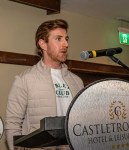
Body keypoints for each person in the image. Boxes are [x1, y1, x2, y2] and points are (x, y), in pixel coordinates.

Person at [5, 19, 84, 150]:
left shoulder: (77, 81)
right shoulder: (24, 80)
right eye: (58, 39)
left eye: (66, 39)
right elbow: (12, 124)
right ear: (43, 44)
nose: (65, 44)